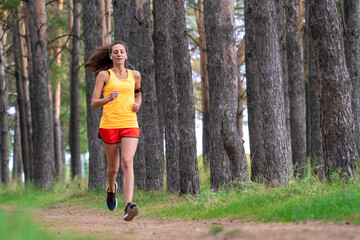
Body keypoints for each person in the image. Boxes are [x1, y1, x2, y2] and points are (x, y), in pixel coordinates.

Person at [85, 41, 141, 221]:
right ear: (110, 56)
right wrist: (108, 98)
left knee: (127, 161)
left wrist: (137, 104)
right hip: (109, 125)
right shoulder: (104, 75)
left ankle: (128, 205)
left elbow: (138, 94)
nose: (118, 54)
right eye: (115, 52)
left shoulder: (135, 75)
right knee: (113, 168)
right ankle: (111, 190)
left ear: (126, 55)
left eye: (121, 52)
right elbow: (94, 103)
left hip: (130, 122)